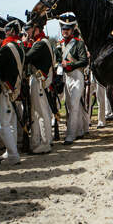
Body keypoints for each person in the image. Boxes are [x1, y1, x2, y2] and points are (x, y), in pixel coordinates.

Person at [0, 15, 26, 165]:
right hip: (14, 88)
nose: (4, 32)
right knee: (11, 123)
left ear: (12, 30)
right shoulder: (18, 47)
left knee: (2, 125)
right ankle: (10, 152)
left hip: (6, 88)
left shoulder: (7, 48)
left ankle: (13, 155)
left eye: (7, 30)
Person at [24, 12, 55, 154]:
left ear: (36, 29)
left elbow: (26, 57)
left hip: (39, 80)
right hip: (38, 80)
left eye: (28, 29)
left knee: (42, 113)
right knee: (38, 113)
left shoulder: (40, 44)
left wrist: (23, 43)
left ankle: (46, 142)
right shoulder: (40, 42)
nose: (26, 32)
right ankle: (39, 141)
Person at [56, 13, 88, 145]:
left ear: (73, 28)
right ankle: (81, 129)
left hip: (77, 76)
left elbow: (84, 61)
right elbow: (58, 61)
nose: (65, 31)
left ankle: (70, 134)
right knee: (70, 105)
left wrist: (69, 64)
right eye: (63, 28)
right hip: (66, 77)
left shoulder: (79, 43)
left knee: (74, 105)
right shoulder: (60, 44)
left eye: (68, 28)